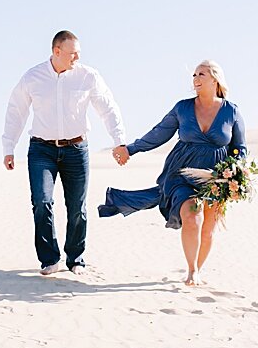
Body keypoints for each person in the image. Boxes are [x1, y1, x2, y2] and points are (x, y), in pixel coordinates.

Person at [98, 61, 246, 286]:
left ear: (215, 79)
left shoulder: (231, 111)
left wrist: (236, 176)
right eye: (194, 74)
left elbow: (239, 148)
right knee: (192, 218)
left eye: (201, 74)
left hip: (216, 177)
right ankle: (192, 270)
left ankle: (199, 268)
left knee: (207, 230)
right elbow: (159, 134)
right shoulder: (182, 108)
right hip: (182, 174)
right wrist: (131, 148)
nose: (195, 78)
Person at [1, 30, 127, 276]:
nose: (76, 57)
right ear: (56, 51)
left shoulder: (88, 76)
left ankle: (76, 258)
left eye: (78, 53)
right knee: (42, 202)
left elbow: (108, 108)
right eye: (72, 53)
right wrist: (9, 147)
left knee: (77, 207)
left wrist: (119, 140)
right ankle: (49, 259)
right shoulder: (33, 77)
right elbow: (16, 111)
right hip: (41, 150)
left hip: (76, 150)